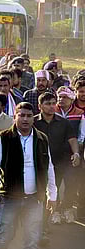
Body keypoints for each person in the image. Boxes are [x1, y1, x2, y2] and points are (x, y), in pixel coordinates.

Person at [0, 102, 58, 249]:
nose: (25, 119)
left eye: (29, 116)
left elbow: (49, 167)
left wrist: (52, 194)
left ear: (34, 118)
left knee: (32, 239)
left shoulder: (42, 138)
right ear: (15, 117)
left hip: (34, 198)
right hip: (9, 197)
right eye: (22, 115)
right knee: (5, 236)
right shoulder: (4, 137)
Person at [34, 92, 80, 239]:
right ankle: (40, 226)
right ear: (40, 106)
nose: (52, 106)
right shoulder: (33, 122)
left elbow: (72, 139)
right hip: (39, 165)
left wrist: (76, 153)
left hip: (59, 164)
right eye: (48, 104)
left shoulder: (63, 122)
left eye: (54, 103)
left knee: (52, 194)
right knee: (40, 194)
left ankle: (44, 226)